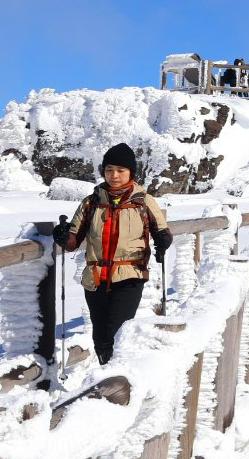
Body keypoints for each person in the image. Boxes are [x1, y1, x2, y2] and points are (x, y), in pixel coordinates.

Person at [54, 142, 173, 364]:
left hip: (130, 275)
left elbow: (162, 230)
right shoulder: (91, 202)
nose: (114, 175)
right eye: (109, 170)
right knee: (100, 337)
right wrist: (63, 236)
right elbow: (73, 241)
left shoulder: (143, 201)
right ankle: (105, 374)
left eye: (120, 170)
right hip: (96, 277)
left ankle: (117, 375)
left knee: (117, 333)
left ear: (131, 173)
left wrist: (163, 240)